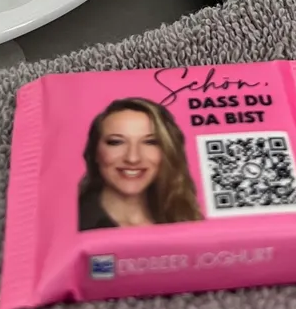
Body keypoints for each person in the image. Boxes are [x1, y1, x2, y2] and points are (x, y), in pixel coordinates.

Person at [78, 97, 204, 229]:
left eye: (150, 142)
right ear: (95, 152)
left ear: (167, 152)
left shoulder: (185, 218)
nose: (133, 158)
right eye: (116, 142)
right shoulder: (73, 223)